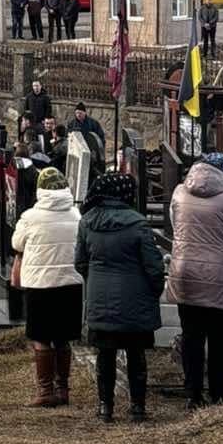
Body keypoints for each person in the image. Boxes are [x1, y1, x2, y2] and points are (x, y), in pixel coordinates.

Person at [75, 169, 165, 422]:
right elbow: (154, 266)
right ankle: (137, 406)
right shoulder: (138, 223)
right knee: (136, 354)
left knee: (105, 353)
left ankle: (106, 406)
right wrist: (153, 290)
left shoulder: (87, 222)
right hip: (135, 297)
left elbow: (80, 262)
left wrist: (95, 281)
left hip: (100, 297)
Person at [167, 159, 223, 411]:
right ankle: (217, 390)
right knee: (219, 337)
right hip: (221, 278)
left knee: (191, 336)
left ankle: (193, 391)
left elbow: (175, 226)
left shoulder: (179, 194)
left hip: (186, 274)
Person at [10, 167, 82, 406]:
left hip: (39, 283)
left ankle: (45, 391)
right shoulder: (76, 214)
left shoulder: (30, 217)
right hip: (70, 282)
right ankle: (63, 389)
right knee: (64, 337)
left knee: (41, 336)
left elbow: (16, 242)